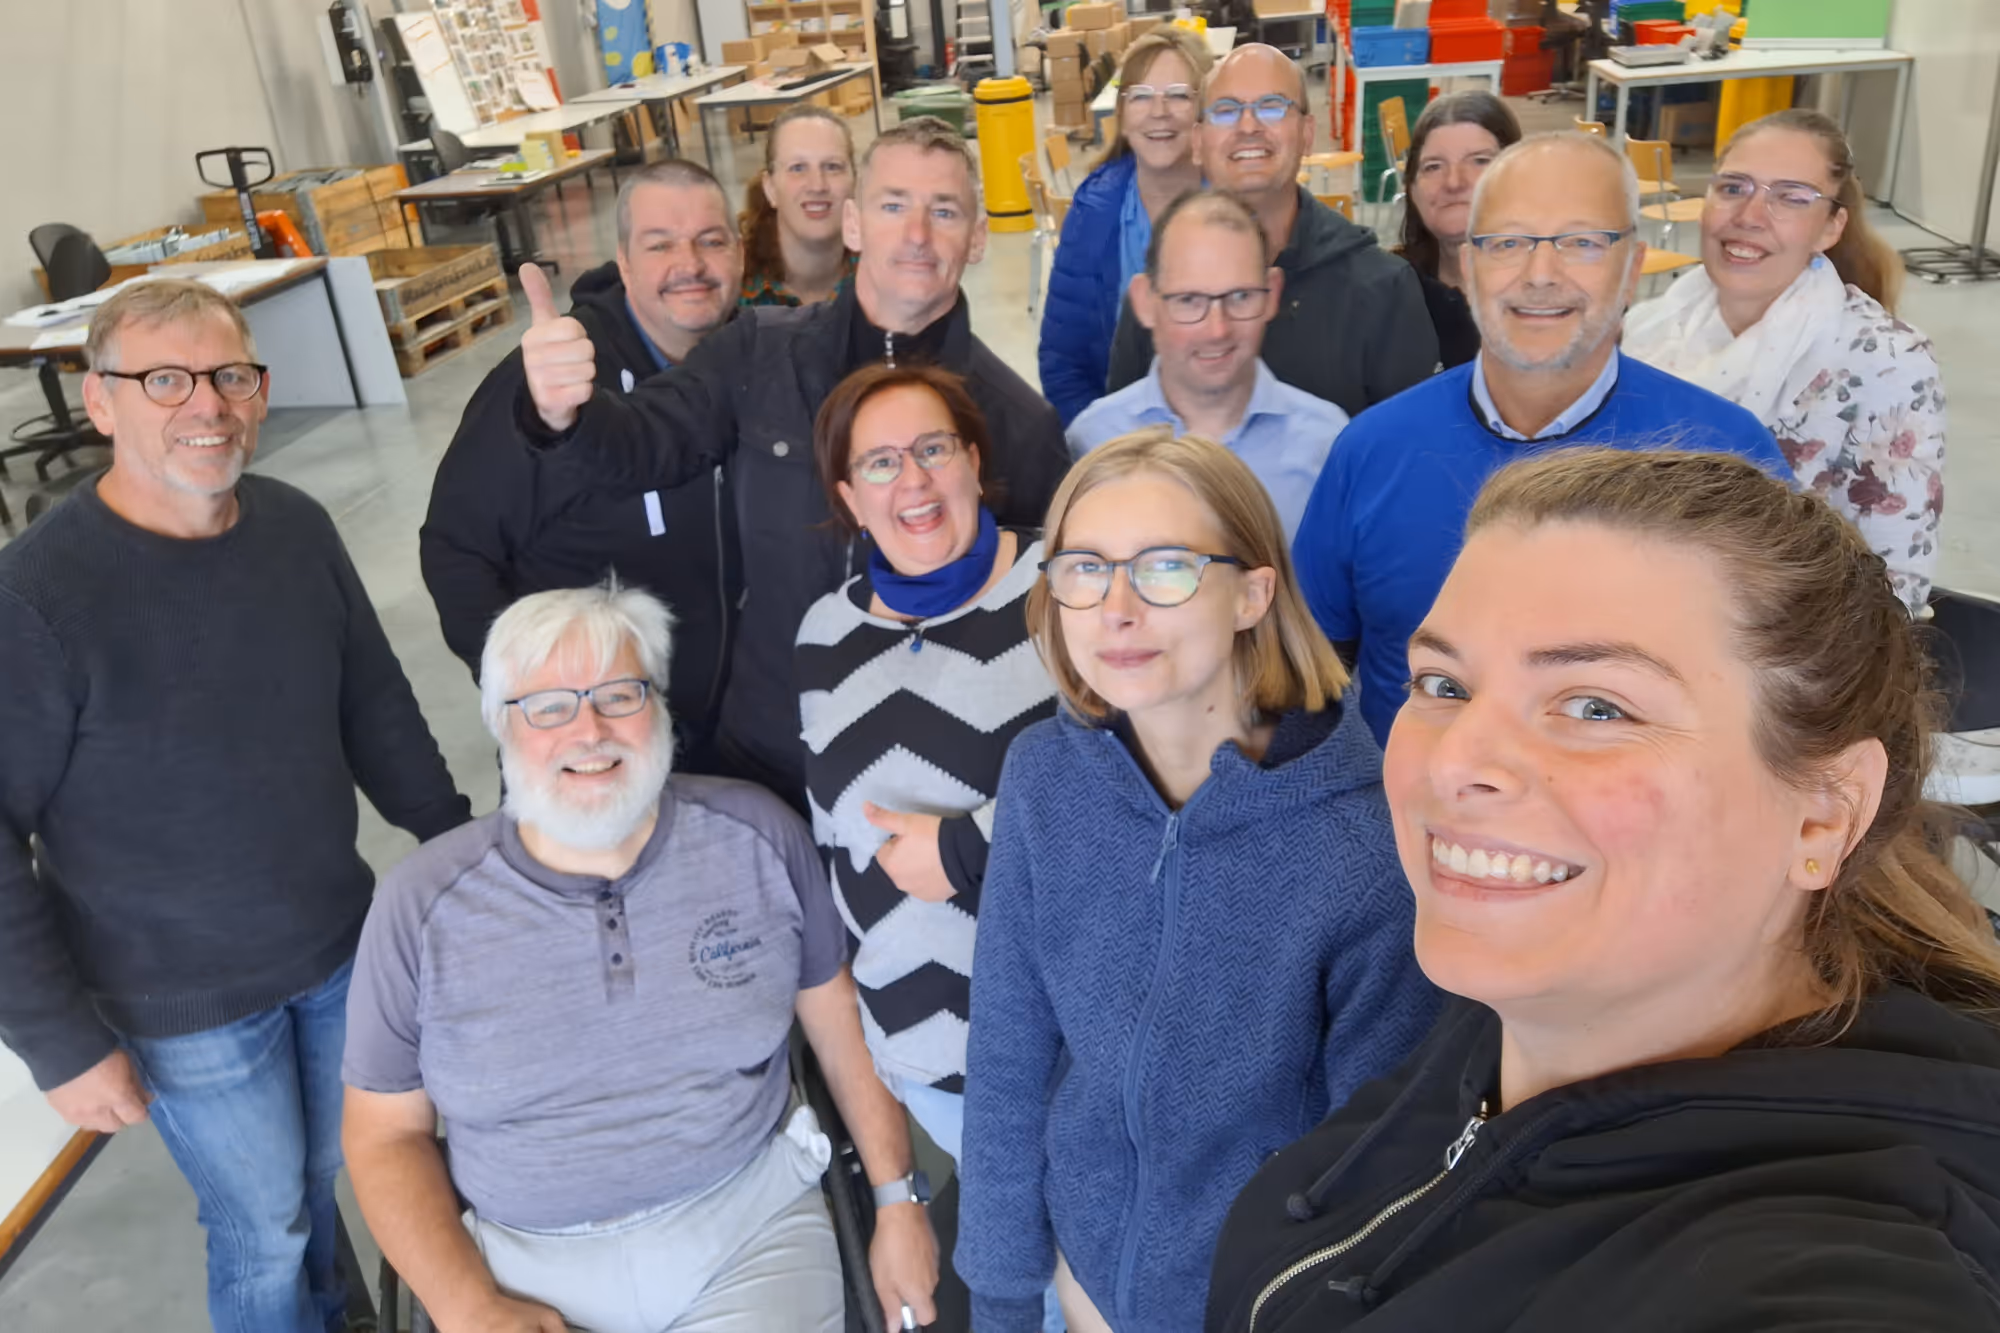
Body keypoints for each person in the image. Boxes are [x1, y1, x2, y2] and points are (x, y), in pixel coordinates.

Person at [1207, 448, 2000, 1333]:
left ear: (1824, 815)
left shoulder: (1840, 1270)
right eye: (1445, 685)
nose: (1457, 759)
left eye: (1596, 707)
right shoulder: (1512, 1024)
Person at [0, 279, 470, 1333]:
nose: (205, 405)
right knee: (263, 1226)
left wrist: (455, 846)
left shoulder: (295, 528)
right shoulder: (36, 597)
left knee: (323, 1180)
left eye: (228, 377)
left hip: (336, 947)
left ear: (259, 393)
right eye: (163, 380)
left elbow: (373, 703)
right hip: (184, 1002)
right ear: (100, 402)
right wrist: (57, 1041)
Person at [343, 582, 939, 1333]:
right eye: (549, 705)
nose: (588, 730)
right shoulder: (419, 906)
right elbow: (384, 1134)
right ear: (502, 726)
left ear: (659, 705)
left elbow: (841, 1026)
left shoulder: (757, 835)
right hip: (520, 1266)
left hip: (748, 1234)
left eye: (619, 694)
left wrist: (898, 1201)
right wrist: (468, 1304)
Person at [955, 430, 1440, 1333]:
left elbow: (1376, 1167)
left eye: (1167, 567)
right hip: (1081, 1282)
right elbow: (1010, 1055)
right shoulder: (1042, 778)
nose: (1117, 609)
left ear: (1253, 592)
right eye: (1085, 569)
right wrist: (1003, 1298)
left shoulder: (1365, 842)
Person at [515, 116, 1070, 813]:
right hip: (768, 755)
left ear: (979, 237)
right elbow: (639, 444)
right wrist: (565, 410)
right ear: (854, 223)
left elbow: (1052, 626)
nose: (918, 234)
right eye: (894, 204)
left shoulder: (1021, 424)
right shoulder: (759, 354)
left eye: (946, 210)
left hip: (934, 785)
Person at [1292, 132, 1791, 748]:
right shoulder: (1371, 450)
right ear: (1469, 269)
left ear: (1632, 269)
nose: (1540, 274)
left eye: (1581, 242)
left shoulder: (1725, 460)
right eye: (1507, 243)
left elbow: (1782, 702)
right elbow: (1307, 673)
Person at [421, 160, 743, 769]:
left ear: (740, 253)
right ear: (623, 263)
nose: (690, 265)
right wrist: (531, 700)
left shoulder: (752, 367)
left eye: (711, 240)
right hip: (590, 752)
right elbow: (456, 548)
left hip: (727, 740)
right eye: (660, 244)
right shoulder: (551, 379)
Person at [1624, 109, 1945, 612]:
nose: (1750, 216)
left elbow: (1894, 590)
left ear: (1831, 226)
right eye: (1733, 188)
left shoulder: (1885, 361)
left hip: (1789, 655)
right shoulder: (1647, 330)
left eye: (1791, 198)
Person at [1105, 44, 1438, 417]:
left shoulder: (1382, 291)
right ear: (1197, 142)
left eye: (1272, 106)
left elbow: (1410, 454)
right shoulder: (1159, 292)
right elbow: (1126, 448)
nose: (1249, 127)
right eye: (1227, 111)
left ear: (1307, 134)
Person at [1067, 189, 1347, 542]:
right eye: (1189, 300)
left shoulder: (1328, 443)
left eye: (1241, 297)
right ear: (1145, 303)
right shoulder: (1092, 441)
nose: (1217, 330)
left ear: (1273, 293)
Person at [1039, 29, 1213, 425]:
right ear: (1121, 112)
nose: (1159, 111)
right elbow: (1063, 362)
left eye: (1178, 95)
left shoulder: (1238, 210)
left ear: (1204, 109)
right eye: (1141, 96)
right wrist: (1109, 450)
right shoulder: (1094, 212)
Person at [1395, 90, 1522, 369]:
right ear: (1412, 189)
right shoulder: (1387, 294)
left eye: (1479, 161)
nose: (1454, 182)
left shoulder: (1550, 296)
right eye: (1433, 166)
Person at [740, 104, 859, 306]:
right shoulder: (735, 284)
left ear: (854, 181)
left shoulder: (885, 272)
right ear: (770, 188)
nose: (817, 185)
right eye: (797, 168)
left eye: (832, 167)